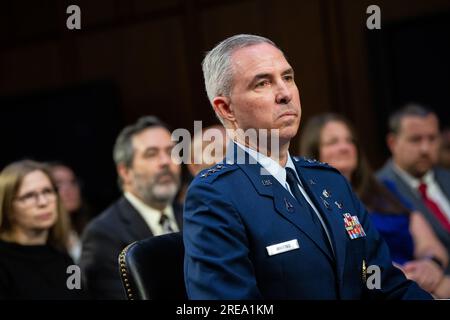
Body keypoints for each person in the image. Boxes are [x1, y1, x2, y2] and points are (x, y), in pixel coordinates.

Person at [183, 34, 432, 299]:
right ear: (226, 109)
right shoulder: (215, 195)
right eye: (263, 83)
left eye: (288, 77)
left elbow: (387, 286)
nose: (285, 93)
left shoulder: (330, 180)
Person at [300, 113, 450, 298]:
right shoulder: (310, 204)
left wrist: (431, 264)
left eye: (350, 141)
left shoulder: (384, 188)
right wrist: (395, 276)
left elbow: (429, 242)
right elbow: (346, 267)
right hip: (375, 287)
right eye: (333, 142)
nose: (345, 147)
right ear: (314, 152)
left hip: (420, 281)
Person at [79, 116, 182, 299]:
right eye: (151, 154)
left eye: (171, 152)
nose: (166, 161)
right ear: (125, 172)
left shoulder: (192, 214)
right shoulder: (102, 234)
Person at [376, 105, 450, 274]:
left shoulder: (447, 177)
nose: (425, 149)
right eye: (416, 140)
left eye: (432, 139)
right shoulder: (378, 190)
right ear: (392, 143)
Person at [0, 160, 85, 299]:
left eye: (48, 191)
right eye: (29, 196)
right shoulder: (4, 263)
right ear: (8, 206)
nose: (43, 202)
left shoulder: (66, 261)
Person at [49, 163, 93, 262]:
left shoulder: (87, 229)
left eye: (73, 182)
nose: (69, 190)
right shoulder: (45, 239)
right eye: (58, 184)